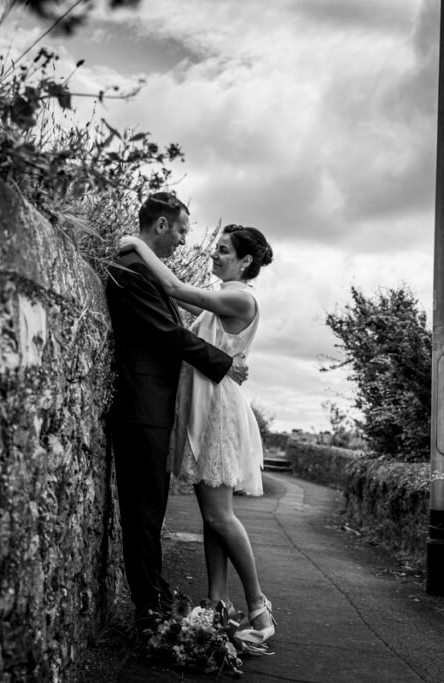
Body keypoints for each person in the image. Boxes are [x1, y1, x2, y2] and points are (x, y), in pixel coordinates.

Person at [118, 223, 276, 647]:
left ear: (245, 261)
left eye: (223, 250)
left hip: (219, 412)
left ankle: (259, 606)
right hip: (210, 406)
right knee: (212, 518)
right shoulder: (222, 301)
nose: (214, 254)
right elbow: (173, 304)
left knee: (220, 516)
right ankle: (218, 603)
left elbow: (174, 286)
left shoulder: (239, 297)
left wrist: (135, 243)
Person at [105, 192, 249, 631]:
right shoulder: (129, 272)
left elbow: (180, 302)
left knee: (150, 510)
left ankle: (155, 593)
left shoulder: (140, 269)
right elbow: (169, 334)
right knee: (142, 513)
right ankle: (149, 609)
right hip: (141, 408)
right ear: (162, 226)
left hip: (152, 408)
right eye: (183, 230)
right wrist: (225, 365)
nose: (187, 241)